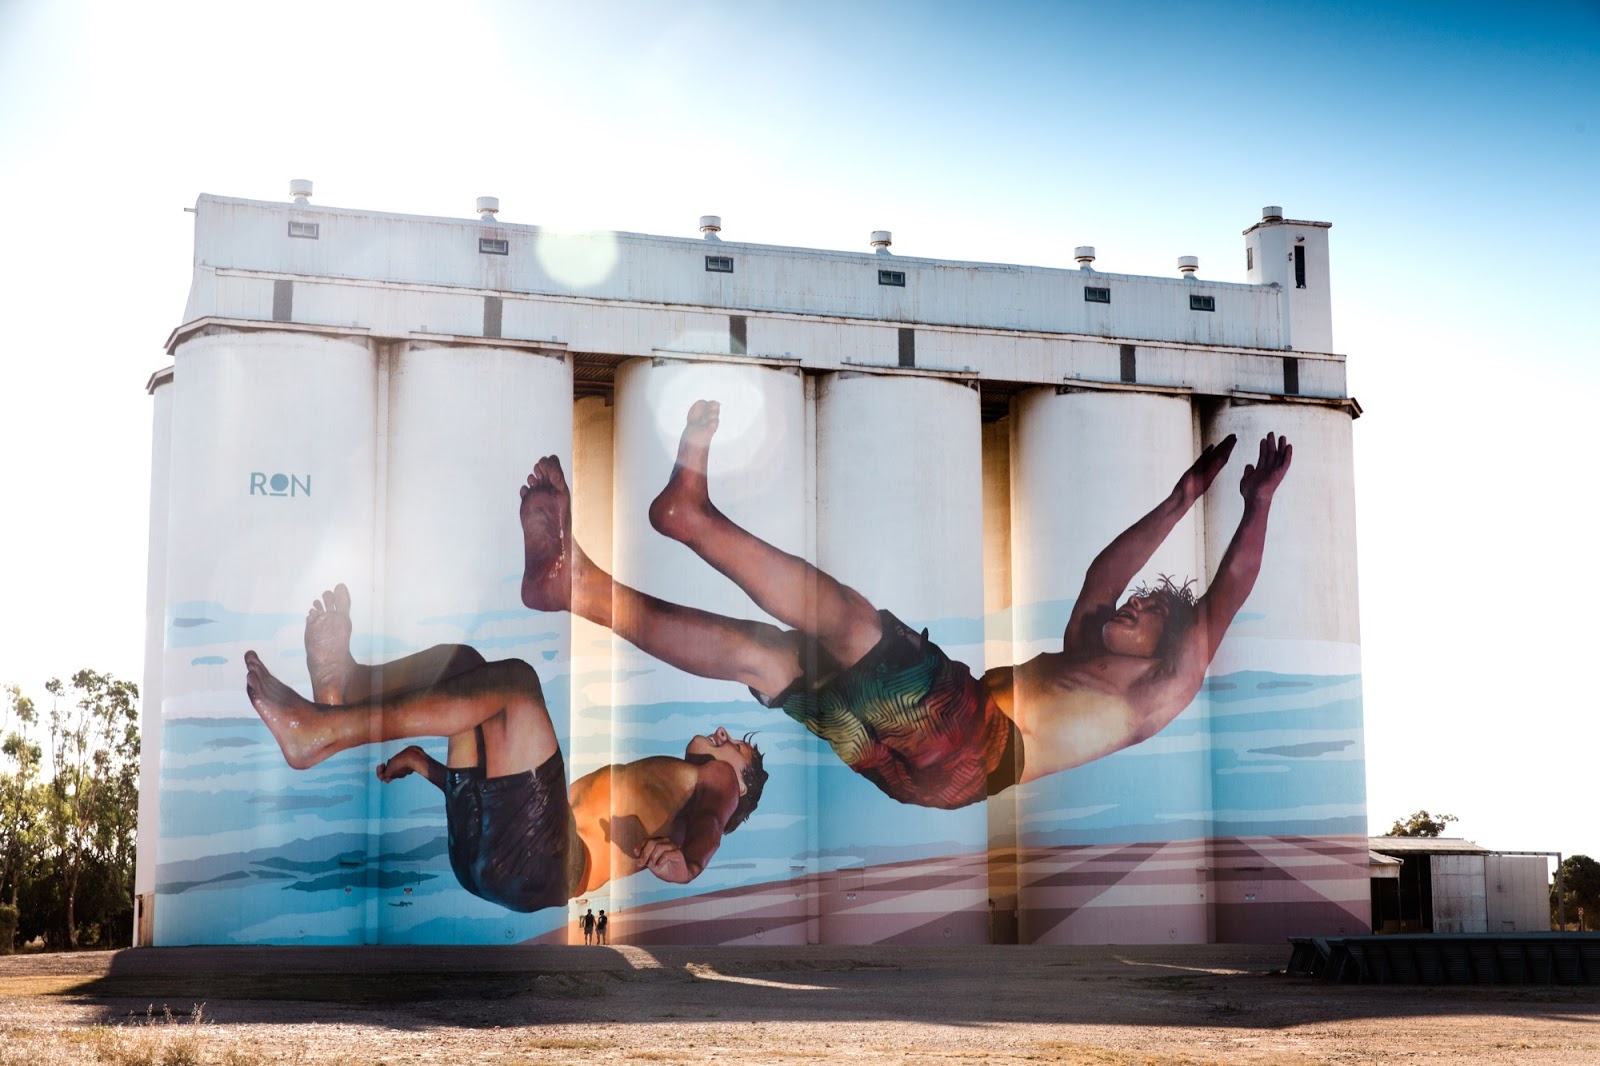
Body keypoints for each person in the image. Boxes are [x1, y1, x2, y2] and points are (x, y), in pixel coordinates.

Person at [518, 399, 1291, 810]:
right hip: (922, 770)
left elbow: (1227, 594)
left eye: (1143, 615)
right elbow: (1104, 571)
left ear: (1167, 643)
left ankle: (691, 517)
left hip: (974, 747)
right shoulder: (1086, 647)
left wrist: (1255, 506)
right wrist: (1181, 497)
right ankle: (575, 587)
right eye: (1133, 607)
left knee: (858, 626)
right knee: (771, 657)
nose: (1124, 610)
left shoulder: (1164, 687)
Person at [245, 583, 769, 912]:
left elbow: (710, 831)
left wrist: (688, 865)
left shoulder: (717, 787)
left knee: (517, 682)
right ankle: (345, 689)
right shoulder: (677, 784)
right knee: (465, 667)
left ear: (740, 785)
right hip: (493, 858)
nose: (725, 737)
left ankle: (325, 729)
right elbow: (509, 800)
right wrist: (430, 767)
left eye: (739, 749)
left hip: (545, 862)